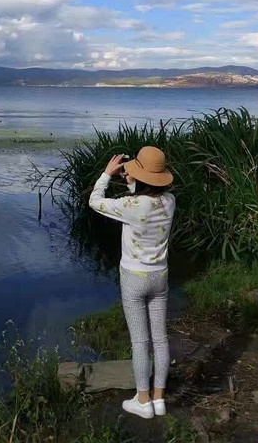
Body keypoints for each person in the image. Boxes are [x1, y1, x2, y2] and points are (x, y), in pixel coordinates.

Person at [88, 146, 175, 419]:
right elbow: (148, 199)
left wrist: (105, 174)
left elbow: (94, 200)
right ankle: (159, 398)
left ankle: (142, 399)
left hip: (134, 279)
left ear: (140, 175)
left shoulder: (130, 206)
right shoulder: (170, 201)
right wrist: (134, 183)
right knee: (160, 340)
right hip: (160, 277)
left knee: (140, 342)